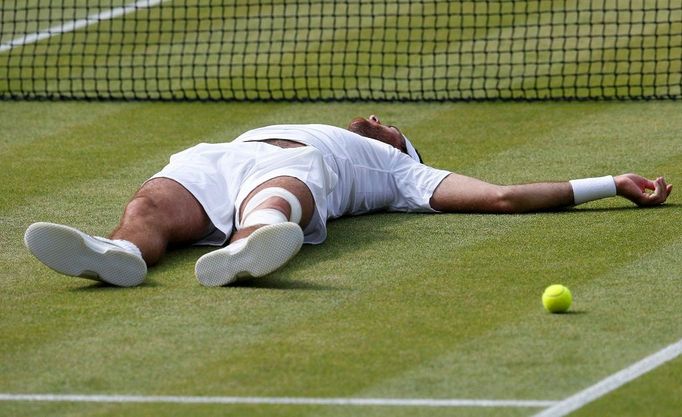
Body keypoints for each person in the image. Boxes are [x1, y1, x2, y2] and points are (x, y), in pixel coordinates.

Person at [24, 115, 673, 287]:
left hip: (298, 171)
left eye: (389, 125)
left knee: (275, 199)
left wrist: (610, 182)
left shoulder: (401, 173)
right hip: (218, 156)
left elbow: (502, 196)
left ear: (403, 147)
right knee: (150, 205)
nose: (375, 120)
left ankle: (253, 246)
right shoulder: (331, 127)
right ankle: (119, 254)